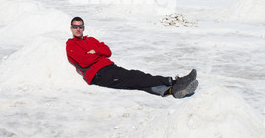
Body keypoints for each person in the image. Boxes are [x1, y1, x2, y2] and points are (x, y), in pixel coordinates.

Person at [66, 17, 198, 99]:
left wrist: (95, 51)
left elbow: (108, 51)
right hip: (98, 75)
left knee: (137, 81)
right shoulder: (71, 45)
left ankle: (173, 90)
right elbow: (84, 61)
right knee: (137, 77)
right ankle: (174, 82)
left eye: (80, 26)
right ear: (71, 28)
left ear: (84, 27)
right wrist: (98, 54)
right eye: (75, 27)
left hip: (109, 68)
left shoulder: (91, 39)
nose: (78, 29)